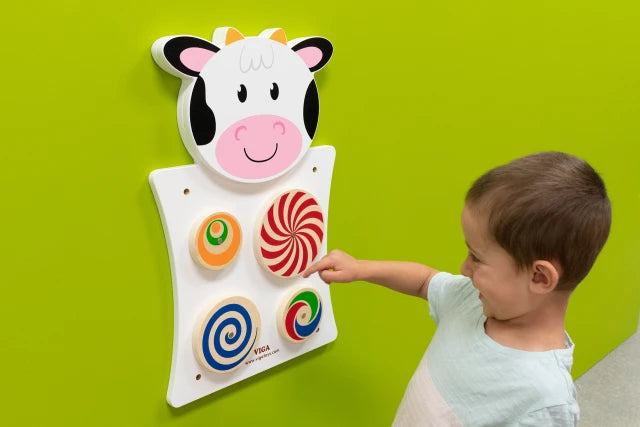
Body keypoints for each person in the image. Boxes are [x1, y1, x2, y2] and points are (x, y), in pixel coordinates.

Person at [303, 151, 611, 426]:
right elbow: (425, 280)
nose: (464, 268)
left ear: (540, 278)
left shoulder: (543, 399)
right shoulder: (471, 301)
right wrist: (360, 268)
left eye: (476, 258)